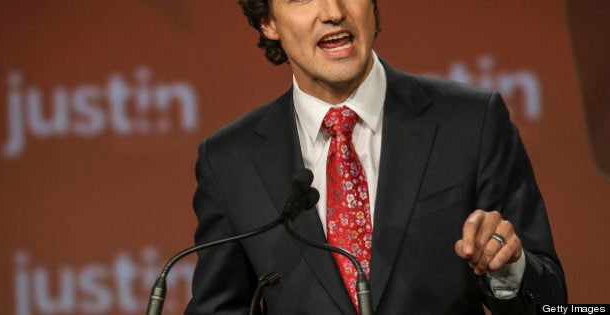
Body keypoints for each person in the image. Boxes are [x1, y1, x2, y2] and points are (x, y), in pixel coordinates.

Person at [185, 0, 567, 314]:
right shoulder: (231, 160)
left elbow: (552, 302)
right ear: (268, 22)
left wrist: (509, 272)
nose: (333, 11)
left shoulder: (472, 122)